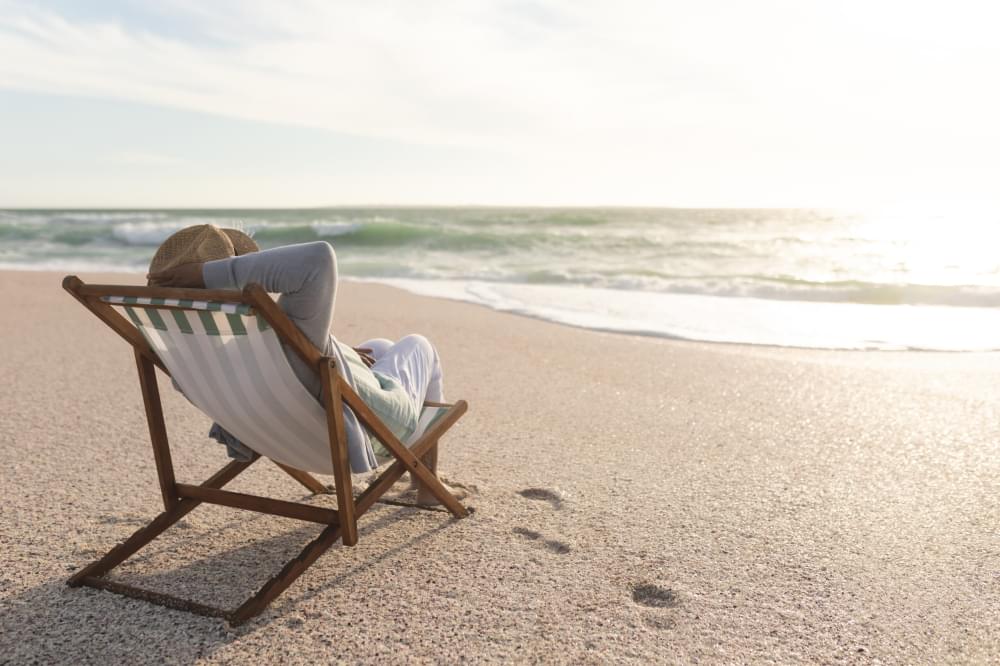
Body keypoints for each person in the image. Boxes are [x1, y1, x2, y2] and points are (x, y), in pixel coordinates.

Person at [146, 224, 456, 506]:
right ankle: (426, 484)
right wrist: (207, 274)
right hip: (360, 431)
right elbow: (318, 258)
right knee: (418, 345)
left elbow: (276, 361)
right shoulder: (285, 333)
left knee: (380, 347)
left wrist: (337, 352)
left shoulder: (187, 356)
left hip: (276, 433)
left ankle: (357, 363)